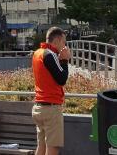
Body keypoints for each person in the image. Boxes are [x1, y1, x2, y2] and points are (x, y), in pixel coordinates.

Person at [32, 27, 70, 155]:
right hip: (51, 108)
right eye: (64, 42)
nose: (64, 46)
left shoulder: (37, 53)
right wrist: (64, 60)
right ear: (57, 40)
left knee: (41, 146)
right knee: (53, 147)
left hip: (39, 106)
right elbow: (61, 79)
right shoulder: (50, 54)